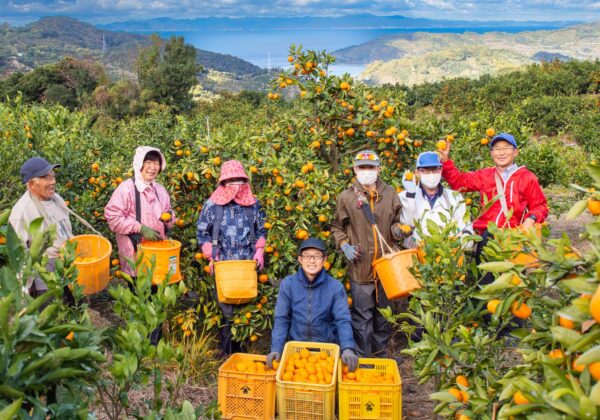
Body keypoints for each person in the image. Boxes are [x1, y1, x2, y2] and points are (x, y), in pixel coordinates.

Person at [331, 150, 404, 358]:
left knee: (384, 314)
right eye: (362, 167)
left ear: (378, 169)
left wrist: (398, 230)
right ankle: (363, 358)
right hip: (360, 267)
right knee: (362, 317)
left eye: (370, 167)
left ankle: (381, 354)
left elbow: (396, 220)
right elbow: (337, 227)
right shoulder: (346, 197)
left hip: (387, 267)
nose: (366, 171)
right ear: (355, 169)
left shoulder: (390, 193)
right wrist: (344, 245)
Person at [439, 133, 548, 266]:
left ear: (515, 152)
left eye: (506, 148)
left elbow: (540, 206)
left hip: (513, 237)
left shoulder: (527, 177)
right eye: (497, 149)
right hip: (487, 237)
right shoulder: (485, 175)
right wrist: (445, 161)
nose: (501, 153)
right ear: (491, 154)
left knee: (512, 281)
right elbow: (459, 182)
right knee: (486, 282)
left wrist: (531, 219)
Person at [196, 160, 266, 356]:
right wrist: (209, 250)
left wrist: (260, 249)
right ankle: (226, 353)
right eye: (230, 180)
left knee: (245, 309)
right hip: (224, 265)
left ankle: (242, 352)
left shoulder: (253, 204)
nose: (235, 185)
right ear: (223, 182)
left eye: (238, 180)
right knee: (226, 309)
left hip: (246, 265)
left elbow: (262, 229)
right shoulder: (213, 205)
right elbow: (202, 232)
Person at [266, 238, 359, 372]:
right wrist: (276, 349)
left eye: (317, 256)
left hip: (326, 352)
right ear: (300, 259)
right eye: (307, 256)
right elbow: (282, 319)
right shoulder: (288, 285)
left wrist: (348, 348)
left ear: (324, 259)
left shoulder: (335, 287)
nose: (312, 260)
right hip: (297, 352)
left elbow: (342, 320)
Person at [105, 146, 175, 279]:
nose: (153, 167)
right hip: (135, 255)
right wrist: (140, 228)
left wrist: (169, 217)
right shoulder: (126, 188)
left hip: (158, 253)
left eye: (156, 163)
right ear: (139, 163)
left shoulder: (160, 190)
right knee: (140, 294)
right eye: (148, 162)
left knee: (158, 295)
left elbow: (169, 213)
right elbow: (113, 217)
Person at [10, 157, 73, 297]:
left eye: (53, 176)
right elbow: (19, 254)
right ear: (32, 184)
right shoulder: (22, 211)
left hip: (69, 267)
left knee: (73, 313)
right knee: (50, 314)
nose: (53, 181)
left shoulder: (57, 199)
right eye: (46, 178)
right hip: (45, 275)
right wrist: (23, 291)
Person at [399, 151, 472, 248]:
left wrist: (462, 245)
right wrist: (410, 197)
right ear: (417, 172)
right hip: (416, 256)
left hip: (449, 255)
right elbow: (405, 228)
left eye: (435, 169)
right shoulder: (405, 196)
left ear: (441, 170)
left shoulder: (454, 197)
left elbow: (466, 226)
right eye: (426, 170)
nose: (431, 174)